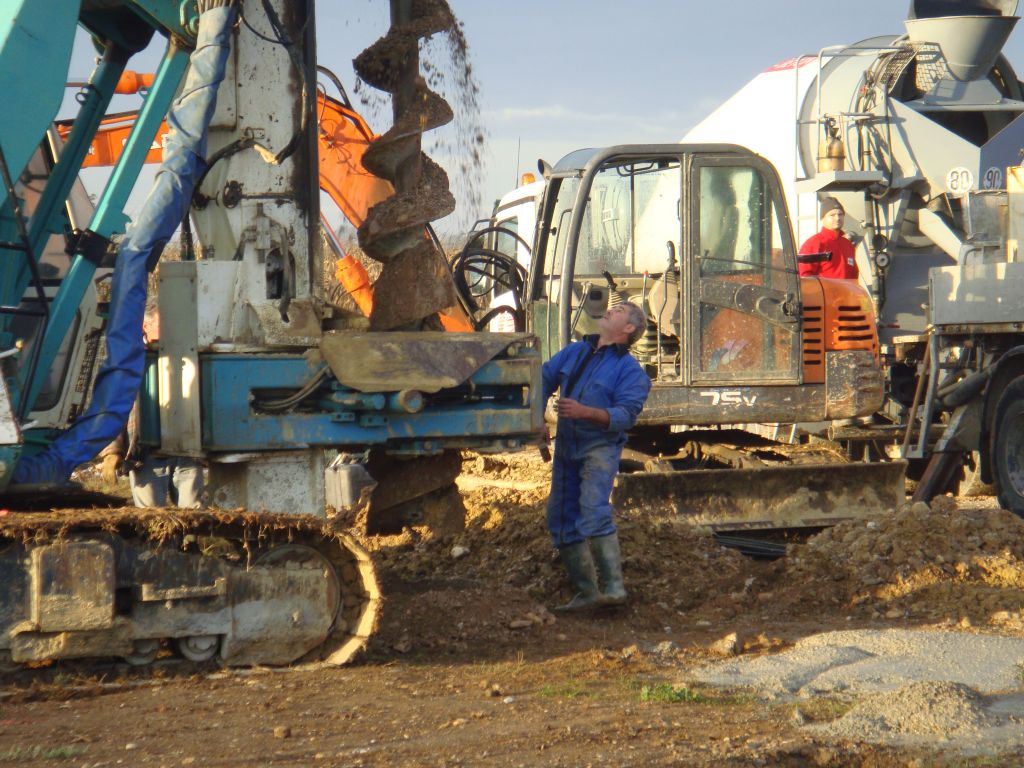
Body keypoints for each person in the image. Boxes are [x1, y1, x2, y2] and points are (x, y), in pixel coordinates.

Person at [541, 302, 652, 611]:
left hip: (599, 447)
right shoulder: (576, 351)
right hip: (566, 446)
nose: (609, 310)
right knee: (560, 518)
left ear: (629, 329)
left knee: (592, 508)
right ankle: (587, 593)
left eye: (618, 310)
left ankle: (614, 588)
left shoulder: (630, 372)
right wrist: (535, 418)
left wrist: (584, 412)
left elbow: (625, 415)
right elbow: (544, 378)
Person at [99, 303, 204, 508]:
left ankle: (190, 541)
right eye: (163, 324)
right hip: (146, 455)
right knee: (150, 516)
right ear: (145, 325)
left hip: (187, 452)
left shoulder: (191, 356)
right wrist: (112, 452)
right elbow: (113, 408)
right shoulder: (128, 362)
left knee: (194, 514)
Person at [797, 197, 858, 280]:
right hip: (824, 292)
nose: (837, 218)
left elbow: (854, 276)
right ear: (823, 218)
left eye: (840, 214)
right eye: (832, 215)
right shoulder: (813, 244)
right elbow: (804, 277)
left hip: (846, 293)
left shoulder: (847, 245)